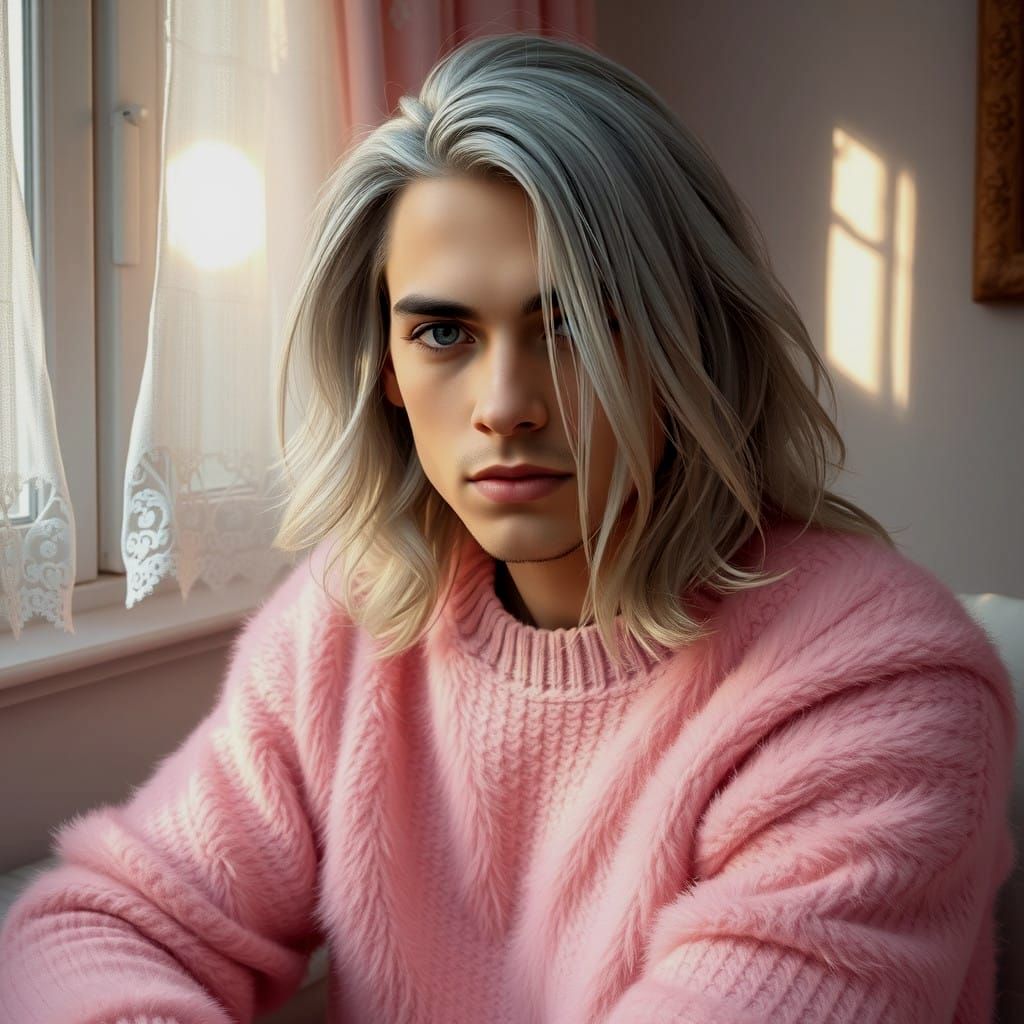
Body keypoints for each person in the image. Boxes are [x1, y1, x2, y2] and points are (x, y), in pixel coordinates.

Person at [0, 30, 1016, 1024]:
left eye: (572, 319)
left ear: (691, 340)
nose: (504, 404)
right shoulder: (353, 620)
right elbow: (93, 925)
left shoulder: (883, 689)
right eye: (442, 331)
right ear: (386, 372)